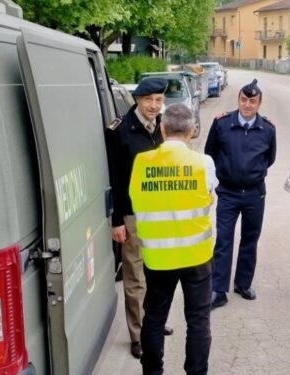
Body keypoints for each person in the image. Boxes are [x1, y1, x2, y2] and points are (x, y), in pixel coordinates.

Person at [129, 103, 218, 375]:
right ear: (192, 131)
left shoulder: (142, 163)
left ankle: (152, 371)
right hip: (197, 256)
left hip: (158, 258)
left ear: (162, 128)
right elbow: (211, 199)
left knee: (154, 319)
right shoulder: (204, 163)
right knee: (198, 320)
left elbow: (136, 202)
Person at [105, 77, 173, 359]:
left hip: (159, 214)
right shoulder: (119, 131)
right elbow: (115, 178)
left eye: (159, 101)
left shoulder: (163, 128)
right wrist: (117, 220)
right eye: (149, 100)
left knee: (157, 274)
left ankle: (153, 322)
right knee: (134, 278)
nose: (154, 106)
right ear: (138, 100)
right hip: (133, 215)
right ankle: (139, 334)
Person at [204, 79, 276, 309]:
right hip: (228, 192)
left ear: (259, 103)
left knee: (250, 239)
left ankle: (243, 284)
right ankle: (219, 289)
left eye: (252, 101)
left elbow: (270, 158)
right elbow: (210, 153)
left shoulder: (268, 129)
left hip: (255, 193)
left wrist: (254, 173)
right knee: (223, 240)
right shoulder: (222, 124)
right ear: (238, 100)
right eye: (243, 100)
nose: (247, 105)